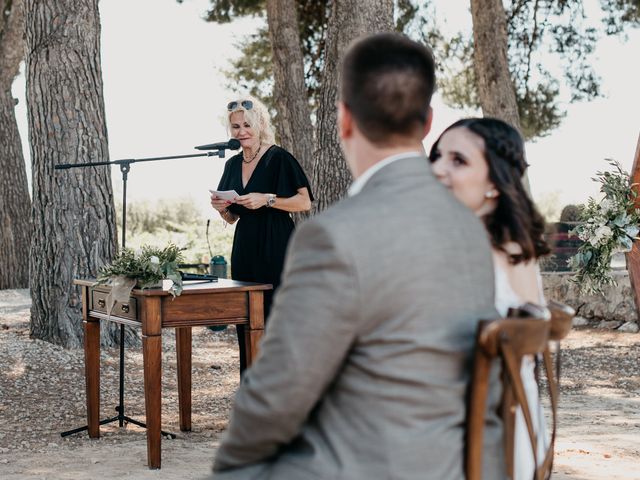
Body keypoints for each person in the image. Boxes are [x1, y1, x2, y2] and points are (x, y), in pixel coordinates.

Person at [211, 33, 505, 480]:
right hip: (467, 458)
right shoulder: (473, 226)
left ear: (345, 120)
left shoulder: (332, 236)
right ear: (427, 123)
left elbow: (275, 399)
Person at [429, 117, 551, 480]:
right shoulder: (504, 242)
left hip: (480, 432)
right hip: (509, 423)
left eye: (458, 161)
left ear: (495, 183)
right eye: (436, 156)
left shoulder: (480, 250)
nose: (435, 169)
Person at [210, 95, 313, 374]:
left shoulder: (278, 157)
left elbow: (304, 202)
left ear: (261, 124)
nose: (241, 131)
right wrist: (222, 210)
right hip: (245, 246)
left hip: (277, 245)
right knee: (247, 320)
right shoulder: (231, 165)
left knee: (278, 319)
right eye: (235, 127)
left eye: (246, 125)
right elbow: (232, 217)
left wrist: (267, 200)